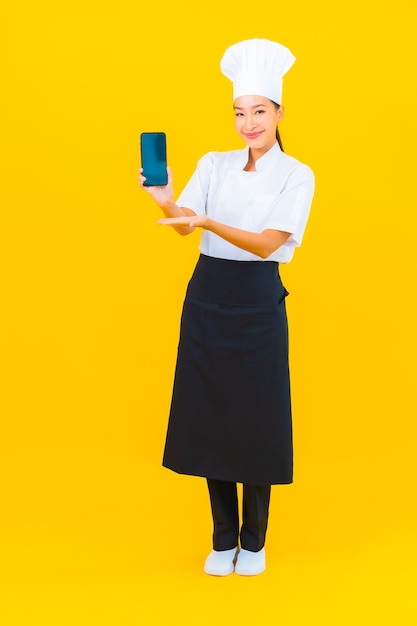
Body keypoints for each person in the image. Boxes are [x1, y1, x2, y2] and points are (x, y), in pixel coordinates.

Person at [138, 38, 315, 576]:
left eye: (259, 111)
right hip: (208, 295)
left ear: (279, 113)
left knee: (257, 419)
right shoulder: (213, 163)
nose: (248, 122)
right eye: (240, 112)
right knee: (211, 412)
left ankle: (254, 543)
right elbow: (185, 221)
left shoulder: (297, 174)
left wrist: (208, 223)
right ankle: (221, 540)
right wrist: (167, 200)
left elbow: (267, 244)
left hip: (259, 301)